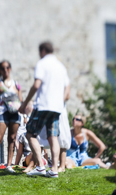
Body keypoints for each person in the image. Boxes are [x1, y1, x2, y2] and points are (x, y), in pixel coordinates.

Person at [21, 41, 70, 179]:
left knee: (30, 134)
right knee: (53, 137)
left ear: (42, 51)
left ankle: (40, 167)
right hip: (57, 107)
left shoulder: (42, 63)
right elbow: (67, 87)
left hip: (43, 105)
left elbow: (36, 85)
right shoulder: (61, 66)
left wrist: (25, 103)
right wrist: (61, 101)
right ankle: (54, 170)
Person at [0, 61, 23, 172]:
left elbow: (20, 100)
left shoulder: (16, 84)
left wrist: (24, 113)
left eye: (7, 67)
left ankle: (9, 165)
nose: (5, 70)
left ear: (10, 69)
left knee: (12, 138)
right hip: (2, 112)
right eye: (2, 68)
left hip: (14, 112)